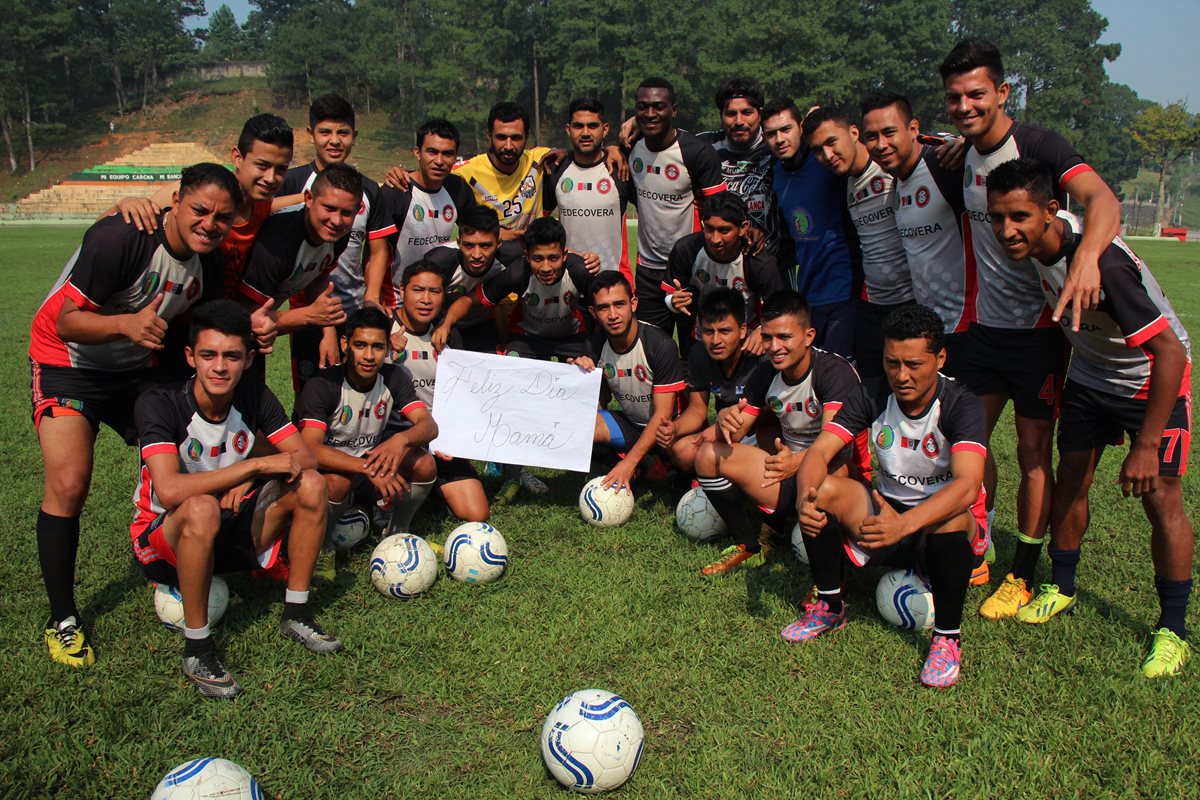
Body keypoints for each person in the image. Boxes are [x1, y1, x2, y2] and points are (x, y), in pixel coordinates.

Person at [986, 158, 1193, 677]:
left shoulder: (1104, 264)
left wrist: (1146, 445)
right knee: (1072, 480)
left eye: (1019, 217)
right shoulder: (1036, 249)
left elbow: (1170, 354)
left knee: (1161, 497)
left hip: (1151, 381)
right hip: (1090, 378)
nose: (1007, 230)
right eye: (997, 218)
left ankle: (1173, 630)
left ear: (1052, 211)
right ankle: (1063, 585)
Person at [30, 163, 241, 668]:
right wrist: (126, 323)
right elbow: (66, 320)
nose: (209, 223)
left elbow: (195, 334)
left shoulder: (207, 266)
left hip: (135, 369)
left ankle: (167, 556)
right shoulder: (122, 237)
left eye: (221, 217)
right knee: (70, 480)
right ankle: (63, 619)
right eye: (199, 210)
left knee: (184, 456)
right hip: (68, 361)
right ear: (174, 200)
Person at [940, 38, 1123, 589]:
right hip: (983, 329)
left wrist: (1087, 259)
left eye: (976, 94)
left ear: (1002, 91)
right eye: (954, 98)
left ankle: (1022, 569)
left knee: (1031, 452)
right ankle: (978, 542)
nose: (965, 107)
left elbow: (1103, 199)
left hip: (1042, 332)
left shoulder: (1040, 145)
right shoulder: (962, 155)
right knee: (963, 442)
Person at [130, 301, 341, 699]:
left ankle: (295, 613)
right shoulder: (160, 403)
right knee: (201, 505)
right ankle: (197, 650)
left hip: (227, 527)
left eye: (231, 356)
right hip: (163, 541)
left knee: (312, 483)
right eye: (208, 355)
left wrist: (251, 478)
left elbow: (306, 457)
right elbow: (170, 490)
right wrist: (251, 469)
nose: (220, 367)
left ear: (248, 359)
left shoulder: (252, 394)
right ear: (191, 356)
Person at [789, 304, 989, 688]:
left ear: (940, 357)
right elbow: (818, 453)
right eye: (892, 362)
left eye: (914, 364)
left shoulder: (961, 403)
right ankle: (829, 606)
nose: (901, 375)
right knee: (821, 491)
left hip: (942, 529)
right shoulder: (874, 392)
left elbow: (966, 487)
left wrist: (906, 525)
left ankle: (947, 638)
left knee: (951, 518)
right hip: (888, 517)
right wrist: (803, 501)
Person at [693, 290, 863, 576]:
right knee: (708, 455)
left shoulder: (835, 373)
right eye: (768, 337)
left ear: (809, 336)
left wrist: (797, 463)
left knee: (823, 481)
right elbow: (737, 428)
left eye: (785, 337)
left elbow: (833, 446)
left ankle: (830, 573)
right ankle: (749, 544)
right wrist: (725, 418)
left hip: (836, 472)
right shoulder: (765, 373)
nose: (774, 347)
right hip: (786, 467)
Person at [296, 307, 439, 569]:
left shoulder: (393, 376)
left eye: (377, 346)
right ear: (345, 344)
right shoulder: (322, 385)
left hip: (370, 466)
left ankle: (396, 535)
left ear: (387, 348)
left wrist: (400, 441)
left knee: (424, 464)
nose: (369, 356)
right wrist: (368, 468)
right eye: (360, 345)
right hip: (331, 473)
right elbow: (310, 450)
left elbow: (428, 425)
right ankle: (322, 549)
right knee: (337, 483)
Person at [475, 217, 598, 501]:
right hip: (528, 337)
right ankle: (512, 475)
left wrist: (593, 351)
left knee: (592, 394)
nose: (545, 267)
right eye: (538, 259)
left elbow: (604, 309)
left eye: (553, 258)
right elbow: (477, 299)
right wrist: (447, 323)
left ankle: (591, 467)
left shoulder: (579, 271)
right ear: (526, 257)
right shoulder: (517, 273)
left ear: (565, 255)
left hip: (571, 336)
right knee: (512, 396)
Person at [270, 95, 392, 379]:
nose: (334, 141)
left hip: (355, 312)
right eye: (325, 132)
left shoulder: (370, 190)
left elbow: (377, 250)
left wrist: (372, 297)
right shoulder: (291, 182)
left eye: (343, 133)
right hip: (307, 315)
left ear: (354, 136)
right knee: (313, 396)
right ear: (310, 134)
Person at [110, 114, 294, 300]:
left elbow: (288, 204)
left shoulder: (262, 205)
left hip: (214, 316)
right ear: (237, 158)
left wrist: (310, 196)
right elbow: (113, 228)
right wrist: (123, 204)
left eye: (281, 169)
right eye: (262, 165)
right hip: (167, 313)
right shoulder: (190, 192)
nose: (271, 178)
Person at [859, 91, 976, 373]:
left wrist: (966, 145)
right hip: (928, 329)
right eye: (871, 136)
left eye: (889, 133)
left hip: (966, 325)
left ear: (913, 129)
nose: (880, 145)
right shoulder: (896, 177)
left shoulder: (944, 163)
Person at [803, 107, 914, 379]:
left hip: (911, 300)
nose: (827, 155)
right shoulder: (844, 182)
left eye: (832, 142)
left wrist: (956, 145)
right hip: (872, 303)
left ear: (854, 132)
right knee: (869, 387)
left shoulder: (890, 167)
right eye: (818, 150)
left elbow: (918, 148)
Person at [237, 163, 362, 383]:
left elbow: (319, 277)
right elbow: (248, 321)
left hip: (249, 332)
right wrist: (310, 316)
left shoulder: (338, 234)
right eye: (329, 208)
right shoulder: (276, 244)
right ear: (308, 199)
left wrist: (328, 330)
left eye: (347, 213)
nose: (336, 220)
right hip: (218, 325)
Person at [627, 77, 727, 341]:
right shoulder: (630, 149)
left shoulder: (697, 152)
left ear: (674, 110)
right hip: (648, 270)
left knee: (695, 351)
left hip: (690, 271)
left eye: (659, 106)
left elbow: (719, 211)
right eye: (643, 106)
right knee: (649, 349)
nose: (650, 114)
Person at [390, 260, 489, 523]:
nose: (425, 299)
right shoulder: (382, 330)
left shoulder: (447, 335)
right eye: (418, 290)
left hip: (437, 438)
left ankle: (432, 490)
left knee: (476, 513)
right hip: (391, 436)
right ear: (402, 291)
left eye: (434, 292)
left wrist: (454, 439)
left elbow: (458, 397)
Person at [572, 271, 686, 493]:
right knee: (581, 424)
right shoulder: (595, 346)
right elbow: (598, 403)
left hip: (670, 431)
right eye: (604, 308)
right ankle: (636, 468)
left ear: (633, 304)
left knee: (684, 454)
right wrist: (581, 377)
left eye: (619, 304)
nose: (613, 314)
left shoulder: (660, 345)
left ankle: (650, 465)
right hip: (632, 425)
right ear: (593, 312)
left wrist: (629, 461)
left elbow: (662, 416)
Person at [761, 98, 856, 359]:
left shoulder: (827, 162)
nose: (779, 139)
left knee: (839, 376)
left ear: (801, 127)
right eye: (771, 134)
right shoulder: (775, 170)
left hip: (844, 291)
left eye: (786, 129)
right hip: (807, 296)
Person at [368, 118, 478, 309]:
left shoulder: (457, 188)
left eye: (447, 154)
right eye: (432, 152)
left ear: (455, 157)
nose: (439, 161)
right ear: (417, 152)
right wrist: (375, 298)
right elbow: (374, 254)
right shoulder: (395, 192)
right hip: (396, 302)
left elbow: (479, 233)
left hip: (434, 298)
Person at [663, 192, 783, 357]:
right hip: (701, 340)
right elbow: (670, 296)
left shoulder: (759, 262)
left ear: (743, 228)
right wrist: (673, 301)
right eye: (709, 229)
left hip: (746, 344)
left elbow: (779, 309)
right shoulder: (687, 249)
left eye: (724, 230)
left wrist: (762, 330)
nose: (715, 239)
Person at [665, 288, 764, 475]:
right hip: (723, 430)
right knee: (682, 451)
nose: (715, 340)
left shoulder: (760, 355)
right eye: (708, 331)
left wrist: (718, 430)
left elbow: (771, 414)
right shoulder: (699, 354)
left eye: (724, 331)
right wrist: (674, 428)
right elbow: (697, 410)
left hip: (761, 433)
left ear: (743, 330)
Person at [696, 77, 788, 268]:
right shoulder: (703, 147)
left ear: (760, 114)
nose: (739, 121)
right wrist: (636, 124)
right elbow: (667, 136)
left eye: (747, 112)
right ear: (721, 115)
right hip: (721, 268)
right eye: (731, 113)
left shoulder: (779, 146)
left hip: (774, 265)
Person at [543, 97, 632, 284]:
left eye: (592, 126)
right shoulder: (556, 170)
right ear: (568, 129)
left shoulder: (620, 170)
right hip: (568, 283)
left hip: (613, 282)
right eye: (578, 126)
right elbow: (541, 227)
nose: (585, 133)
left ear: (605, 129)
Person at [423, 206, 512, 354]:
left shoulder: (510, 259)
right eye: (469, 245)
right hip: (443, 323)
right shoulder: (438, 261)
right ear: (458, 242)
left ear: (499, 243)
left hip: (482, 325)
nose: (477, 254)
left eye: (485, 246)